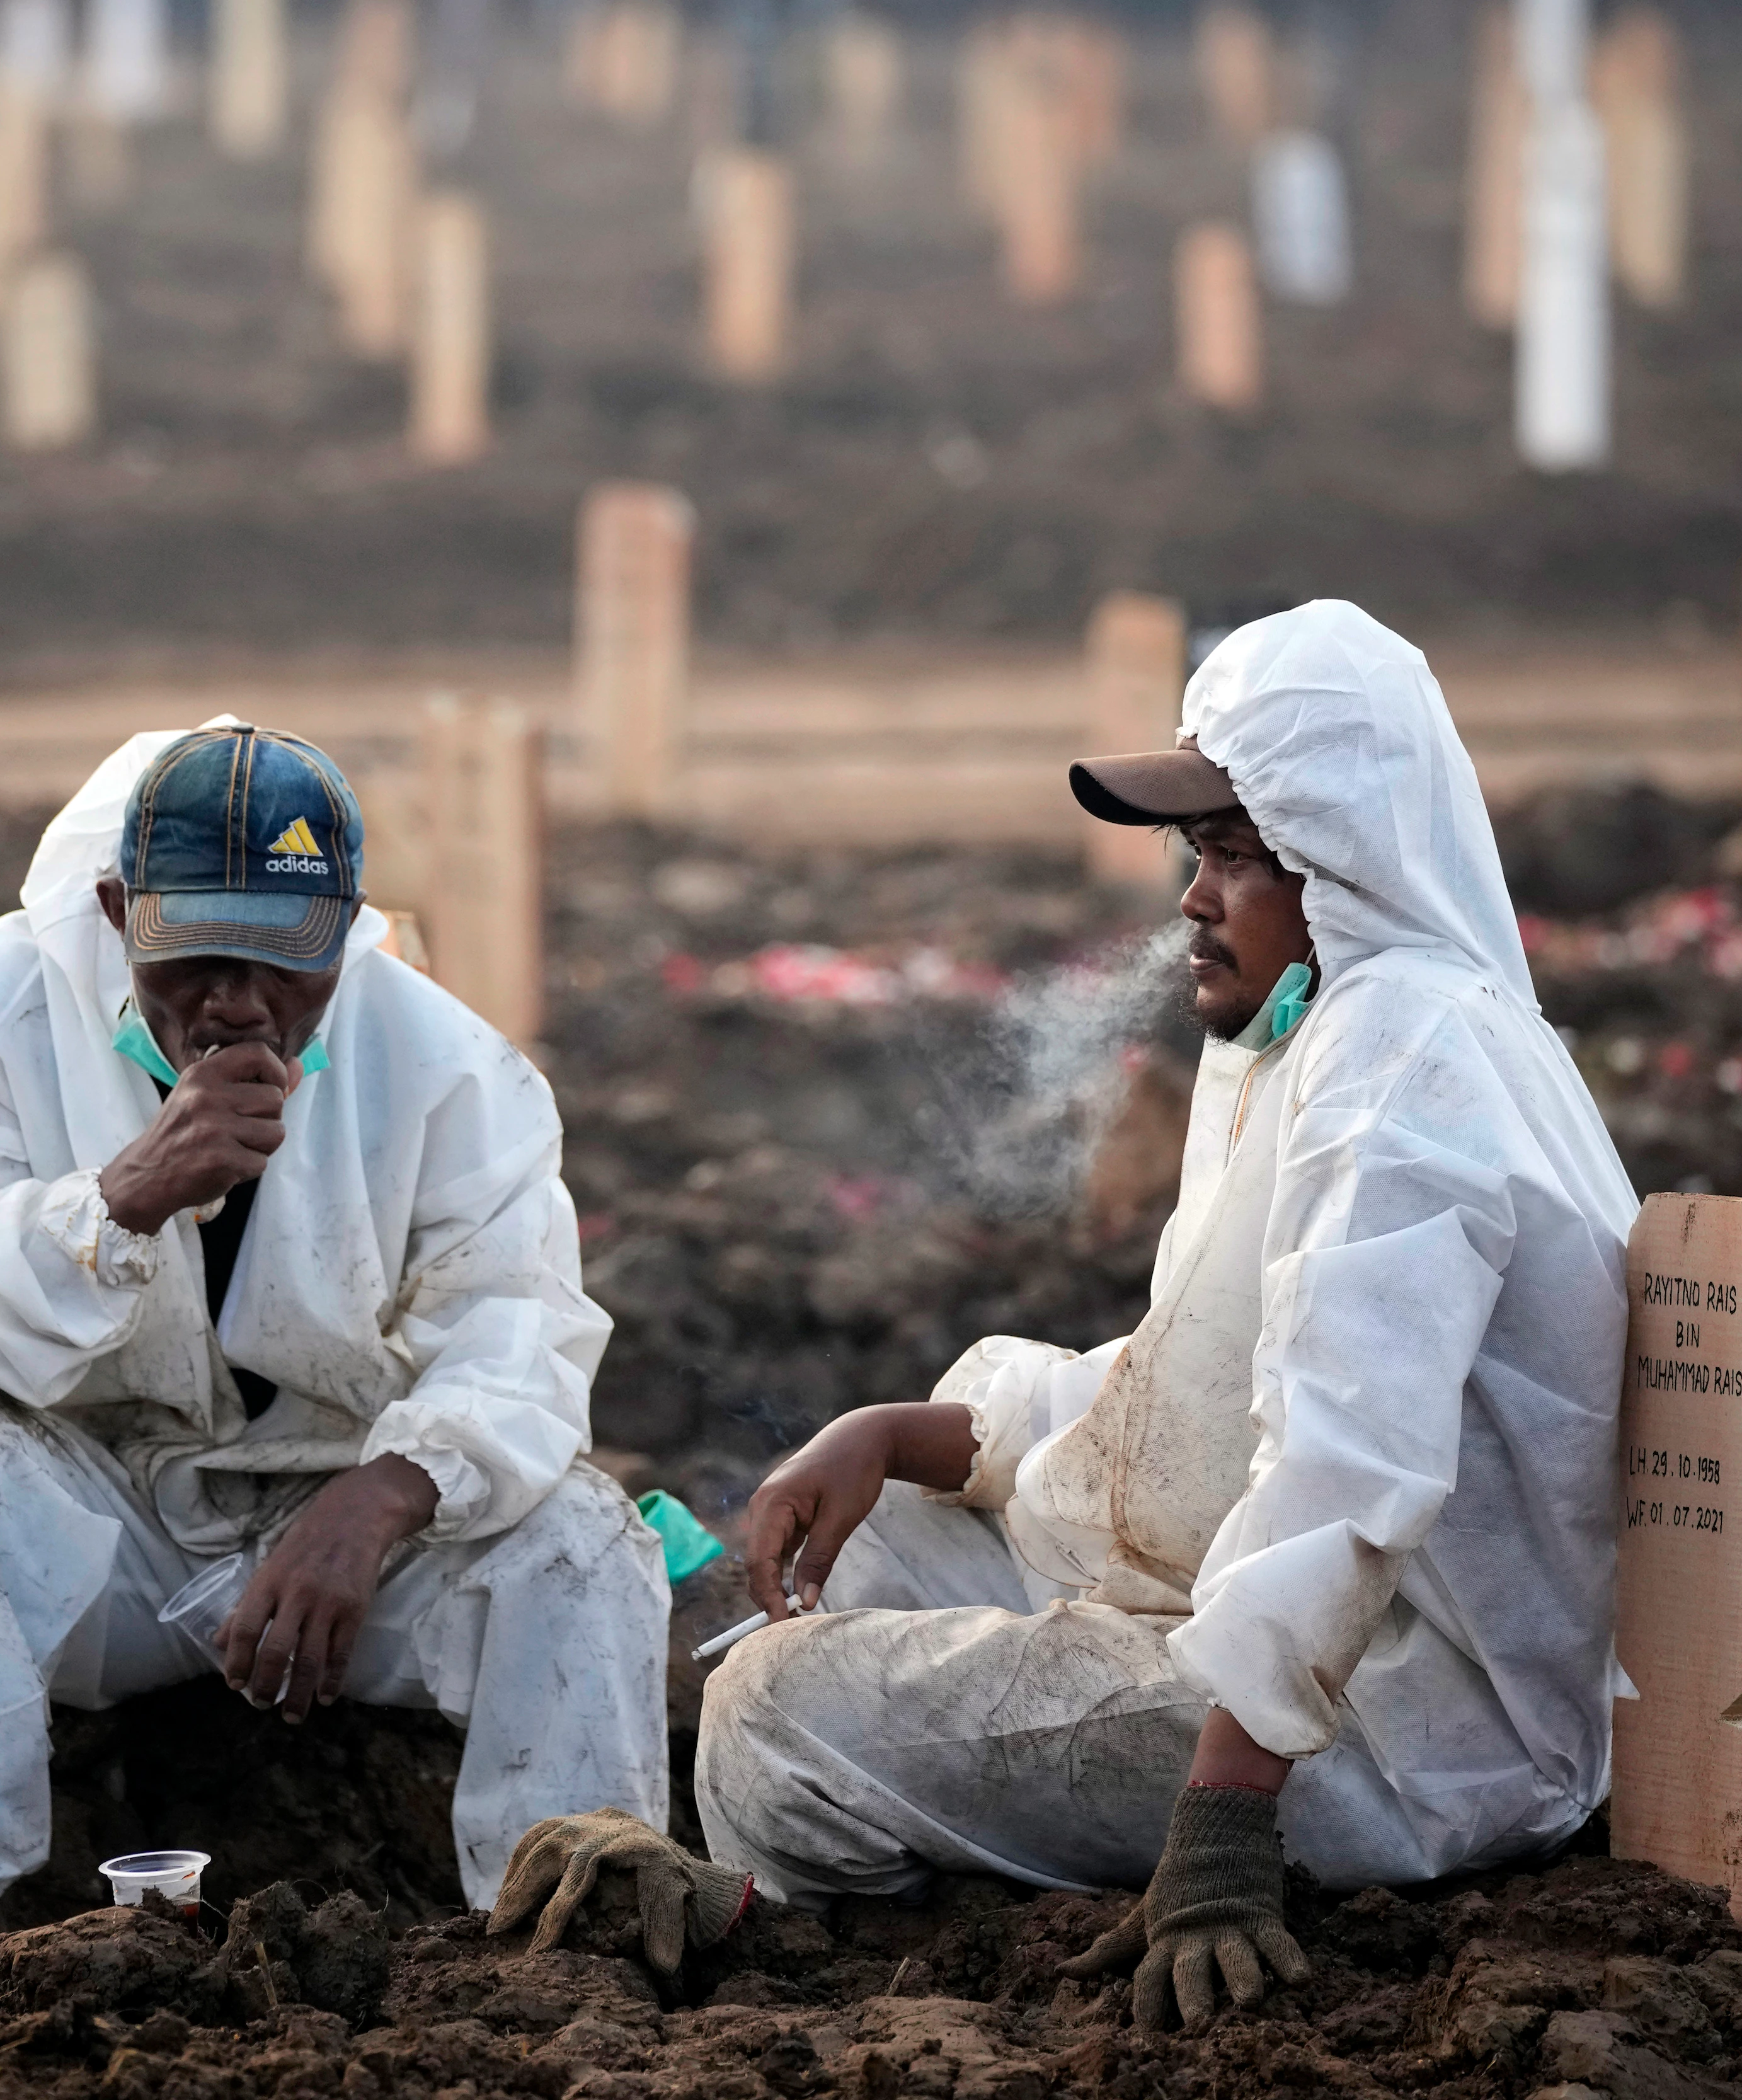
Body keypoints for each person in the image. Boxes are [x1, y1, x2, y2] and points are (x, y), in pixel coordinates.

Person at [673, 600, 1636, 2026]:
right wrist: (899, 1432)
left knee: (768, 1715)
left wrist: (1224, 1836)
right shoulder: (1326, 1036)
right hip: (1313, 1662)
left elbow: (1341, 1472)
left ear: (1347, 864)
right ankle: (944, 1874)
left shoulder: (1400, 1078)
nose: (1194, 894)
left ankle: (865, 2003)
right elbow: (1192, 1392)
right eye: (1196, 851)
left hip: (1405, 1734)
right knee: (869, 1547)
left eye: (1240, 854)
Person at [0, 718, 667, 1907]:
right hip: (104, 1525)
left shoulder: (451, 1068)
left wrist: (383, 1498)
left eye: (284, 966)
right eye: (196, 960)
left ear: (351, 931)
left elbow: (519, 1332)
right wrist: (116, 1204)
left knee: (584, 1543)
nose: (238, 1007)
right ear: (117, 912)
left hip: (356, 1541)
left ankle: (583, 1934)